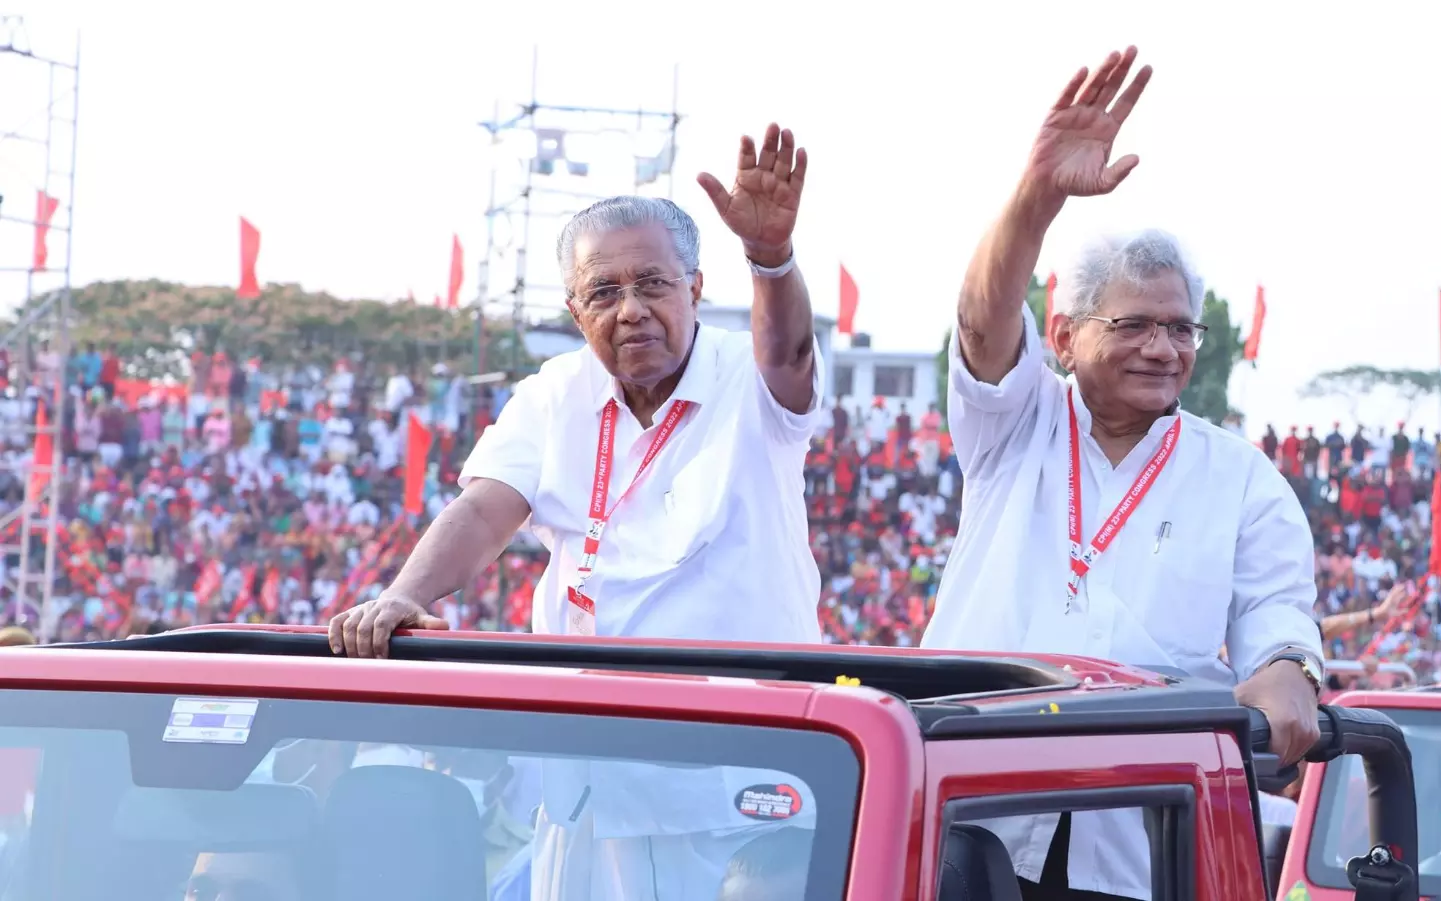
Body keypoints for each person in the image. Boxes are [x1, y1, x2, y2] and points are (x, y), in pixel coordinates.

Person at [919, 46, 1322, 901]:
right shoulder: (1013, 423)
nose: (1162, 347)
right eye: (1134, 324)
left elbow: (1277, 610)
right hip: (974, 809)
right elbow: (983, 324)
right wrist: (1037, 197)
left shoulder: (1241, 478)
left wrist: (1290, 664)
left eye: (1180, 328)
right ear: (1065, 337)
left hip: (1141, 833)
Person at [331, 123, 821, 658]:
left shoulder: (748, 373)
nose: (631, 310)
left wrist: (770, 257)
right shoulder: (552, 392)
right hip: (588, 699)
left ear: (694, 289)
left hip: (747, 700)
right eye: (604, 293)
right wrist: (406, 593)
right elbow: (483, 513)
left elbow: (789, 354)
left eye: (652, 283)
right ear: (576, 313)